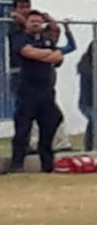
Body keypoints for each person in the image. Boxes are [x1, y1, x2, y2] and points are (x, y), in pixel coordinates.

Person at [7, 11, 64, 174]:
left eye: (39, 22)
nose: (36, 24)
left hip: (46, 92)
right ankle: (16, 165)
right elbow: (27, 52)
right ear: (26, 23)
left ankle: (47, 166)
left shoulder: (47, 38)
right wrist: (48, 55)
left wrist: (46, 55)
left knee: (52, 122)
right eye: (32, 21)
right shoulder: (20, 37)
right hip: (27, 91)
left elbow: (59, 57)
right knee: (22, 130)